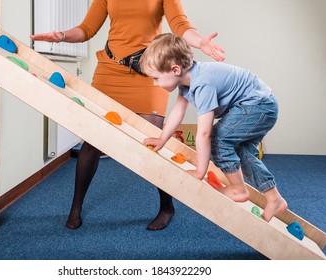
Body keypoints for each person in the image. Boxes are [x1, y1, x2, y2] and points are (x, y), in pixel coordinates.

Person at [30, 1, 225, 230]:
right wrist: (61, 36)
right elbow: (87, 29)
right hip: (110, 69)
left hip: (149, 71)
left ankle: (166, 206)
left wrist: (200, 42)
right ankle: (76, 207)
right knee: (92, 140)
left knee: (153, 144)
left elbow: (180, 25)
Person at [141, 33, 287, 222]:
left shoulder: (202, 84)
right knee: (245, 153)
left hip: (259, 105)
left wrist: (200, 172)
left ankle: (238, 190)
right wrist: (163, 138)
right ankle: (274, 199)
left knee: (219, 139)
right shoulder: (186, 82)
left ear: (175, 69)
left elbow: (204, 133)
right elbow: (178, 113)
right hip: (262, 105)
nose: (155, 83)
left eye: (156, 78)